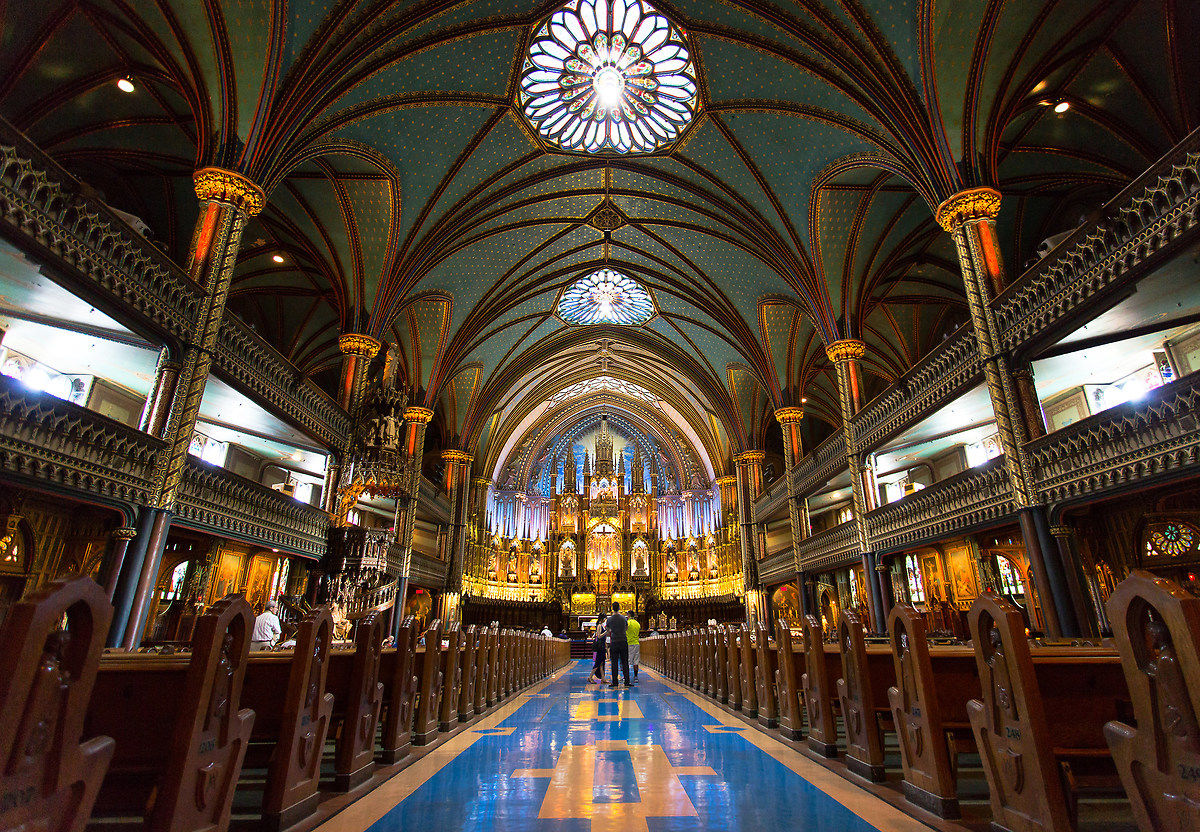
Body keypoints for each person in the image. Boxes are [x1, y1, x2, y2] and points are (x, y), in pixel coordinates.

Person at [602, 601, 630, 687]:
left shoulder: (609, 619)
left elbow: (607, 630)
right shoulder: (624, 618)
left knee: (614, 662)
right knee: (625, 662)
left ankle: (615, 682)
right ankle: (627, 682)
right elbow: (626, 628)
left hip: (614, 642)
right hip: (623, 641)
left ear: (612, 608)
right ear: (619, 608)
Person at [627, 614, 641, 682]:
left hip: (630, 643)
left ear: (629, 615)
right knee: (636, 661)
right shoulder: (637, 623)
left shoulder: (628, 622)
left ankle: (627, 677)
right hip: (637, 643)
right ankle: (636, 677)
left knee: (628, 661)